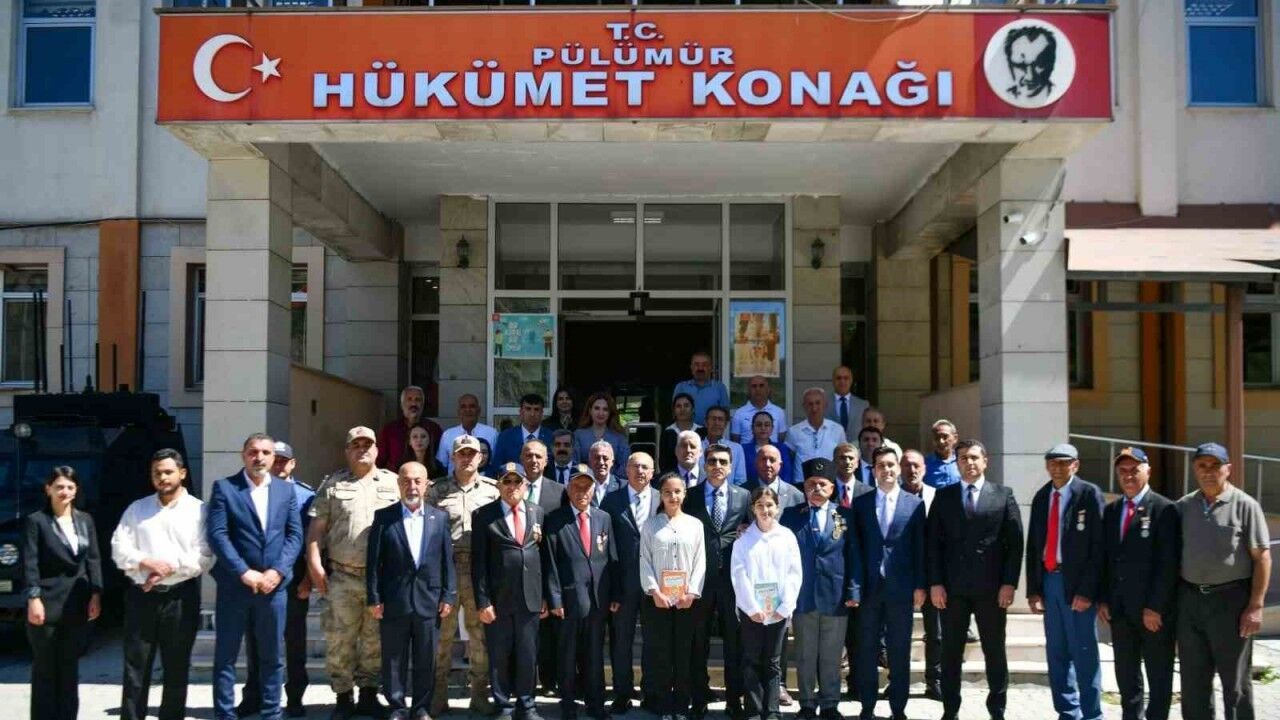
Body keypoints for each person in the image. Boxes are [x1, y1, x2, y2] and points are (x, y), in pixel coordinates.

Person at [206, 434, 303, 720]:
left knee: (272, 656)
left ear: (273, 457)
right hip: (235, 587)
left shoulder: (286, 491)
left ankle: (271, 712)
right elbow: (218, 535)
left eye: (265, 452)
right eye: (253, 452)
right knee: (226, 657)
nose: (259, 457)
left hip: (274, 588)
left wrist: (277, 571)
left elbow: (294, 535)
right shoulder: (225, 488)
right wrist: (243, 572)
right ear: (243, 455)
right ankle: (225, 714)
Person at [112, 449, 214, 720]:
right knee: (135, 668)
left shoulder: (198, 510)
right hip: (141, 596)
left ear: (182, 473)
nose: (162, 477)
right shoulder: (137, 509)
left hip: (180, 598)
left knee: (176, 668)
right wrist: (146, 562)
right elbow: (119, 548)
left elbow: (204, 555)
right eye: (157, 473)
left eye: (168, 472)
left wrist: (168, 568)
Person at [307, 426, 400, 720]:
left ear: (377, 450)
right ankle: (343, 697)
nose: (362, 450)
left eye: (367, 445)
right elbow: (316, 530)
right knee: (339, 640)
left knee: (374, 640)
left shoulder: (394, 482)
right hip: (342, 576)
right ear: (347, 451)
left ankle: (369, 696)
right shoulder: (333, 484)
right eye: (356, 445)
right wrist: (314, 564)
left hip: (380, 578)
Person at [927, 439, 1024, 720]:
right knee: (950, 653)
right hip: (952, 589)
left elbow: (1015, 543)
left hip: (991, 589)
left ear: (985, 461)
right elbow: (933, 543)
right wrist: (935, 583)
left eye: (973, 457)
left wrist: (1009, 583)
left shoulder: (1003, 495)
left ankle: (997, 710)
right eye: (962, 458)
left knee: (994, 651)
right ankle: (950, 710)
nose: (968, 463)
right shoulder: (944, 496)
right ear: (956, 463)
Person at [1176, 442, 1271, 720]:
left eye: (1215, 465)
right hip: (1190, 601)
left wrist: (1255, 606)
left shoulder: (1245, 505)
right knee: (1193, 680)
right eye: (1202, 466)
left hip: (1231, 602)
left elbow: (1262, 558)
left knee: (1235, 682)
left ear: (1228, 469)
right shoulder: (1183, 506)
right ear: (1195, 469)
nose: (1208, 471)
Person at [366, 461, 457, 720]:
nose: (412, 486)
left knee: (426, 658)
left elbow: (447, 560)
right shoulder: (384, 517)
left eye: (417, 481)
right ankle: (397, 707)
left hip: (429, 600)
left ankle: (421, 708)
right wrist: (374, 597)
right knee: (394, 658)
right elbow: (374, 562)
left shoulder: (439, 518)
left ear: (427, 484)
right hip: (394, 600)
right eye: (406, 480)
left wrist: (448, 594)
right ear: (398, 484)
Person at [1025, 443, 1105, 720]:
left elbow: (1099, 548)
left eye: (1064, 462)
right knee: (1057, 653)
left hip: (1078, 585)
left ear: (1075, 465)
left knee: (1084, 652)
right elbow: (1033, 546)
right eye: (1053, 463)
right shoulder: (1042, 496)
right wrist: (1034, 590)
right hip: (1050, 581)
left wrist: (1088, 591)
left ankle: (1092, 714)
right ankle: (1068, 713)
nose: (1057, 468)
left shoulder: (1089, 494)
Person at [1099, 447, 1178, 720]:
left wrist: (1155, 607)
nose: (1128, 476)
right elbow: (1107, 559)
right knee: (1126, 676)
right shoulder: (1112, 510)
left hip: (1152, 613)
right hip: (1120, 611)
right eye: (1123, 471)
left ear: (1148, 471)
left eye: (1134, 470)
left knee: (1159, 675)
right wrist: (1104, 599)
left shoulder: (1165, 509)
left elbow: (1168, 564)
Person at [426, 434, 501, 717]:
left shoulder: (493, 490)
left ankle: (479, 695)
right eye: (462, 453)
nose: (467, 458)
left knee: (480, 636)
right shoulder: (437, 490)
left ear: (480, 458)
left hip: (479, 570)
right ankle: (438, 696)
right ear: (452, 457)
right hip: (447, 569)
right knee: (442, 636)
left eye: (472, 453)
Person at [780, 458, 859, 720]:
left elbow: (853, 555)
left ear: (832, 488)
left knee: (832, 655)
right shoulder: (791, 515)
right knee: (805, 654)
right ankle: (806, 703)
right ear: (804, 487)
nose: (817, 488)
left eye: (823, 484)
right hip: (802, 596)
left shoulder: (844, 515)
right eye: (812, 484)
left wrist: (854, 590)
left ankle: (829, 704)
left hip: (835, 595)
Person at [242, 441, 315, 718]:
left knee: (294, 641)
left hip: (293, 579)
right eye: (277, 459)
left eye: (286, 460)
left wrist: (308, 579)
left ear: (293, 464)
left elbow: (313, 542)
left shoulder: (306, 495)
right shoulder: (255, 491)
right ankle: (254, 695)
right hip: (260, 576)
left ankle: (295, 697)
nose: (281, 465)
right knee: (256, 640)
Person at [850, 447, 925, 720]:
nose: (887, 470)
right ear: (873, 470)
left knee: (899, 650)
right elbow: (855, 548)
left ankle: (898, 708)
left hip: (901, 589)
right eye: (881, 465)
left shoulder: (914, 504)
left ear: (898, 468)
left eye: (891, 465)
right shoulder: (861, 504)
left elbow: (920, 548)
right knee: (867, 650)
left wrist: (920, 585)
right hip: (869, 589)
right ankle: (867, 707)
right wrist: (854, 588)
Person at [24, 465, 102, 720]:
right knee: (45, 669)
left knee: (69, 668)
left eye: (69, 487)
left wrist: (96, 593)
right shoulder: (36, 521)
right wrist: (34, 597)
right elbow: (31, 562)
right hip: (46, 603)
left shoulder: (85, 520)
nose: (64, 492)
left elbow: (93, 559)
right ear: (48, 489)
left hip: (76, 603)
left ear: (76, 490)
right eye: (59, 487)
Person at [472, 463, 548, 720]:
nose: (512, 486)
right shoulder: (484, 515)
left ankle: (527, 705)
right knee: (499, 655)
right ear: (498, 485)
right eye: (507, 481)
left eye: (517, 481)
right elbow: (479, 563)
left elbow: (543, 557)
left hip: (530, 597)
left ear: (525, 485)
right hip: (499, 599)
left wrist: (545, 596)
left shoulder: (537, 512)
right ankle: (503, 705)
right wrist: (483, 601)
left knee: (528, 654)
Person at [684, 444, 752, 720]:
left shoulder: (744, 496)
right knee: (698, 642)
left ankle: (734, 700)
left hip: (733, 582)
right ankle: (699, 699)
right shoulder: (690, 495)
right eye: (712, 461)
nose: (717, 466)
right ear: (704, 464)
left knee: (734, 643)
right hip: (700, 579)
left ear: (731, 466)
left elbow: (752, 531)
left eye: (723, 461)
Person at [544, 466, 618, 720]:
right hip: (568, 601)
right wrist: (554, 598)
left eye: (587, 487)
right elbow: (550, 563)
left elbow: (611, 558)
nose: (582, 491)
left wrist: (615, 594)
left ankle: (595, 704)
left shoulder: (603, 517)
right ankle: (568, 705)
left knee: (595, 655)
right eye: (577, 486)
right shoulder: (555, 519)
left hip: (598, 600)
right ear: (568, 489)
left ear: (593, 490)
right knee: (567, 656)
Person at [731, 486, 802, 720]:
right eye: (760, 505)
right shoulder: (743, 540)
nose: (765, 510)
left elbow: (794, 573)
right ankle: (753, 710)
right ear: (753, 509)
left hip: (778, 611)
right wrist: (751, 608)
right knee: (751, 660)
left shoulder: (787, 537)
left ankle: (772, 711)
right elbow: (738, 575)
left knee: (773, 663)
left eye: (769, 505)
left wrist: (785, 607)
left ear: (777, 508)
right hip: (752, 612)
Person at [640, 472, 707, 720]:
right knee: (661, 653)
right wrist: (654, 591)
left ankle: (681, 704)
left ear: (684, 494)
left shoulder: (695, 525)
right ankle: (663, 704)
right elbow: (644, 560)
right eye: (667, 492)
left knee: (684, 653)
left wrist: (692, 593)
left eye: (677, 491)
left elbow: (700, 561)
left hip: (686, 601)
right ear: (661, 495)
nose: (673, 496)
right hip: (658, 601)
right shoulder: (651, 525)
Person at [601, 452, 659, 714]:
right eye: (635, 466)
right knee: (621, 641)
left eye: (645, 467)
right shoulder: (611, 500)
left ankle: (651, 692)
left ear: (653, 472)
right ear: (625, 470)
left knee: (653, 640)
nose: (640, 471)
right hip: (622, 584)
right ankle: (622, 692)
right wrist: (612, 588)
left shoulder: (661, 498)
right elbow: (605, 546)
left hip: (654, 582)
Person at [518, 439, 567, 695]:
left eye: (539, 456)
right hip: (517, 571)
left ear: (547, 461)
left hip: (548, 568)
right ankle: (519, 683)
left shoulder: (560, 492)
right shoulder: (511, 486)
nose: (533, 460)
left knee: (548, 633)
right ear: (521, 459)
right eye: (528, 455)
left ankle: (548, 682)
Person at [898, 449, 940, 700]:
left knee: (936, 632)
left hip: (932, 573)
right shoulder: (893, 496)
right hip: (902, 573)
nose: (911, 470)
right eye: (906, 465)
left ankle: (934, 680)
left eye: (916, 466)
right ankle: (897, 681)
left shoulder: (937, 496)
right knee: (898, 633)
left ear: (924, 468)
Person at [786, 388, 846, 485]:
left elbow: (842, 457)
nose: (814, 408)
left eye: (818, 403)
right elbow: (789, 459)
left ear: (825, 405)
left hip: (829, 484)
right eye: (810, 404)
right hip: (801, 484)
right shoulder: (794, 432)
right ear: (804, 407)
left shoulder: (837, 430)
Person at [379, 385, 444, 472]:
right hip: (395, 477)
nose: (413, 404)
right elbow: (380, 460)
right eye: (409, 399)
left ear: (422, 404)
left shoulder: (434, 429)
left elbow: (440, 458)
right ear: (402, 404)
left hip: (428, 476)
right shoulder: (389, 430)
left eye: (418, 400)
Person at [437, 394, 500, 474]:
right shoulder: (448, 435)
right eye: (463, 407)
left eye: (472, 406)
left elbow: (495, 463)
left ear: (479, 410)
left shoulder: (491, 433)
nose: (468, 410)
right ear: (458, 411)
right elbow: (442, 465)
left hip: (484, 480)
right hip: (454, 481)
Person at [574, 392, 630, 479]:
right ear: (590, 411)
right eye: (597, 408)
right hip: (585, 482)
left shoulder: (619, 437)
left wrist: (611, 482)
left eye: (605, 409)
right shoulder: (578, 435)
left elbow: (625, 465)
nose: (601, 413)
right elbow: (574, 463)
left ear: (610, 413)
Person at [495, 393, 555, 468]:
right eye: (528, 409)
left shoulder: (551, 437)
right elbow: (497, 466)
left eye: (536, 409)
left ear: (542, 413)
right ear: (521, 412)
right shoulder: (506, 436)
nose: (532, 414)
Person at [673, 350, 730, 425]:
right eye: (696, 364)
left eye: (704, 365)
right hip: (686, 431)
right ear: (691, 367)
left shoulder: (719, 388)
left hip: (711, 431)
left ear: (710, 368)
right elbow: (675, 413)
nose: (700, 368)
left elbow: (725, 415)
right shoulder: (681, 387)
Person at [742, 412, 794, 487]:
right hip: (750, 491)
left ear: (772, 428)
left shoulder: (782, 448)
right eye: (759, 425)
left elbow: (787, 474)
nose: (763, 428)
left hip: (778, 491)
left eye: (767, 425)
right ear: (752, 428)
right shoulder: (743, 449)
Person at [744, 444, 804, 510]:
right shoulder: (743, 493)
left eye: (772, 460)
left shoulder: (796, 496)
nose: (767, 464)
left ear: (780, 465)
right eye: (763, 459)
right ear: (756, 463)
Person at [730, 375, 787, 444]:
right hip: (746, 450)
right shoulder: (739, 413)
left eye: (761, 386)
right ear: (749, 390)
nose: (758, 389)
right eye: (754, 386)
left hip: (772, 450)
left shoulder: (779, 412)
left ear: (768, 389)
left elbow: (781, 438)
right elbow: (735, 440)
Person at [702, 406, 748, 486]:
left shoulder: (736, 449)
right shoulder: (696, 447)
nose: (716, 423)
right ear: (706, 422)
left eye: (720, 419)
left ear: (726, 424)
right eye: (713, 419)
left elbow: (740, 481)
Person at [659, 393, 705, 473]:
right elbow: (663, 461)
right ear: (674, 411)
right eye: (678, 406)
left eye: (686, 405)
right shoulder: (668, 433)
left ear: (693, 409)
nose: (682, 409)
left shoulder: (702, 431)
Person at [825, 365, 868, 438]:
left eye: (846, 378)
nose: (842, 381)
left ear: (851, 380)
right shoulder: (822, 403)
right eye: (838, 378)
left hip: (855, 444)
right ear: (833, 381)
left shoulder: (863, 405)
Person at [923, 420, 961, 489]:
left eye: (945, 437)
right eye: (937, 437)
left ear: (955, 438)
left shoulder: (962, 461)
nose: (941, 441)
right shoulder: (925, 464)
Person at [587, 440, 625, 505]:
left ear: (612, 462)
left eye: (605, 458)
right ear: (590, 461)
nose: (601, 462)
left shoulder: (622, 487)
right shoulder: (582, 486)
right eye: (597, 458)